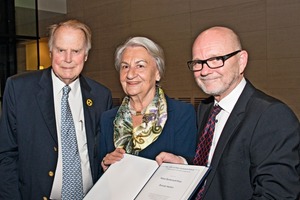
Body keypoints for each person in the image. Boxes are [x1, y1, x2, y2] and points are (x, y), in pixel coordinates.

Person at [156, 26, 300, 199]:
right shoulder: (206, 108)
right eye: (198, 62)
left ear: (241, 61)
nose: (204, 71)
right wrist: (185, 164)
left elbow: (277, 196)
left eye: (216, 59)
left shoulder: (273, 116)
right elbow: (216, 166)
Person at [0, 19, 113, 199]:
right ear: (51, 51)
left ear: (85, 55)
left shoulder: (101, 96)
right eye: (61, 50)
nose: (68, 59)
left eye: (75, 51)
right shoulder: (19, 89)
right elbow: (6, 155)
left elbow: (103, 154)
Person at [99, 37, 197, 172]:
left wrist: (182, 164)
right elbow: (99, 178)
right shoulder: (108, 119)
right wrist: (105, 167)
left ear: (157, 73)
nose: (130, 74)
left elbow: (193, 169)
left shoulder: (182, 114)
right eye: (125, 66)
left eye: (140, 66)